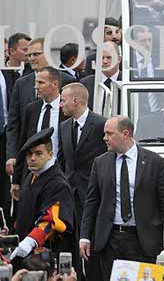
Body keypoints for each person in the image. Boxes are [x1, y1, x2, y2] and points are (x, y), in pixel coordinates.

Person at [79, 116, 164, 280]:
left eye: (109, 133)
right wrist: (84, 236)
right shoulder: (100, 163)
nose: (105, 138)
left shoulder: (155, 162)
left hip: (143, 240)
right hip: (110, 239)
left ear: (125, 134)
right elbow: (91, 202)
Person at [56, 82, 107, 278]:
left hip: (94, 196)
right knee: (71, 243)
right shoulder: (64, 127)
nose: (60, 104)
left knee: (92, 245)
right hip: (70, 196)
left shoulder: (101, 124)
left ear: (75, 101)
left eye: (63, 100)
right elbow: (63, 161)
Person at [6, 39, 74, 183]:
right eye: (29, 55)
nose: (31, 58)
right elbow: (14, 123)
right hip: (31, 164)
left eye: (36, 54)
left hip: (61, 165)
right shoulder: (22, 83)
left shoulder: (67, 81)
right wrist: (12, 155)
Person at [10, 128, 74, 263]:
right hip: (23, 252)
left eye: (38, 153)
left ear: (50, 155)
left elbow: (51, 220)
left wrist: (31, 241)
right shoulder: (31, 176)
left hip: (45, 256)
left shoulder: (58, 184)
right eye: (29, 154)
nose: (32, 158)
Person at [12, 67, 68, 198]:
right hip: (33, 175)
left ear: (55, 84)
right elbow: (23, 144)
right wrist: (16, 180)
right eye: (36, 82)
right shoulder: (32, 109)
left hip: (59, 175)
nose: (36, 87)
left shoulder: (66, 110)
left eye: (41, 83)